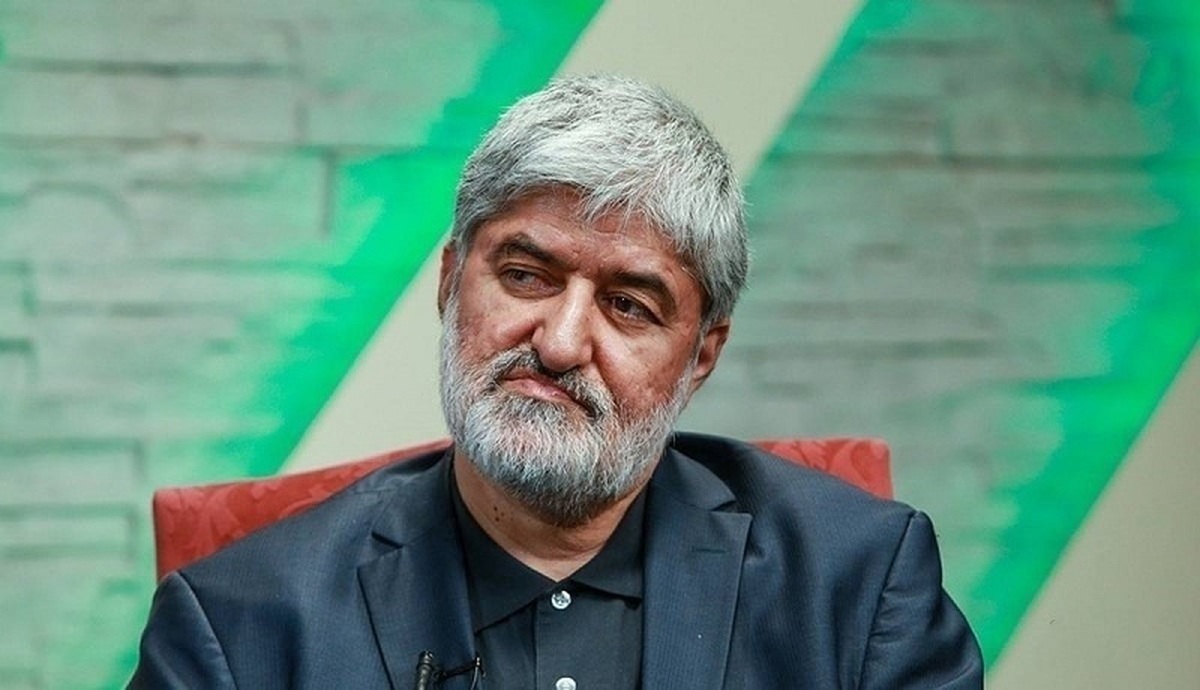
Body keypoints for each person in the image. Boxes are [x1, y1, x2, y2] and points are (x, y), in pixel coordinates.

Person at [131, 74, 983, 689]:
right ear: (449, 284)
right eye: (526, 276)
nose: (562, 342)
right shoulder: (241, 629)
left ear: (701, 358)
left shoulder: (857, 586)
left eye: (629, 305)